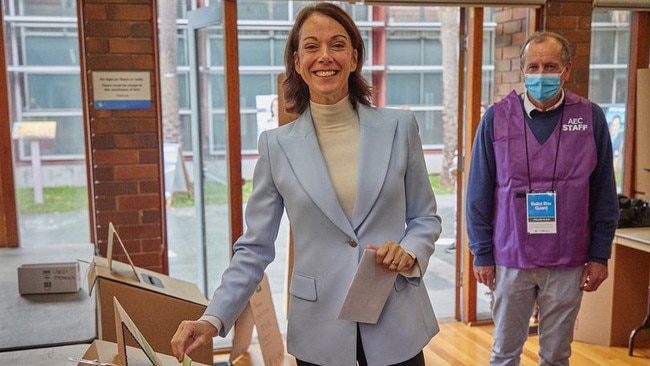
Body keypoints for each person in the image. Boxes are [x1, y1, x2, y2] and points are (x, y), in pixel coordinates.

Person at [171, 3, 442, 366]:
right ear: (297, 62)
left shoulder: (399, 128)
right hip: (319, 330)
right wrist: (212, 317)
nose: (325, 56)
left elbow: (425, 218)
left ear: (355, 57)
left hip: (397, 321)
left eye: (338, 44)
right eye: (312, 46)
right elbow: (254, 249)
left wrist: (410, 250)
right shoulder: (276, 146)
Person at [465, 31, 619, 366]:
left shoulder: (590, 118)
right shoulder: (495, 118)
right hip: (511, 257)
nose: (541, 73)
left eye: (550, 66)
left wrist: (599, 255)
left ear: (566, 70)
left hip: (568, 258)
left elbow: (604, 193)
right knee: (504, 354)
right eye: (533, 66)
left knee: (556, 355)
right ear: (522, 71)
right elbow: (477, 192)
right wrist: (481, 253)